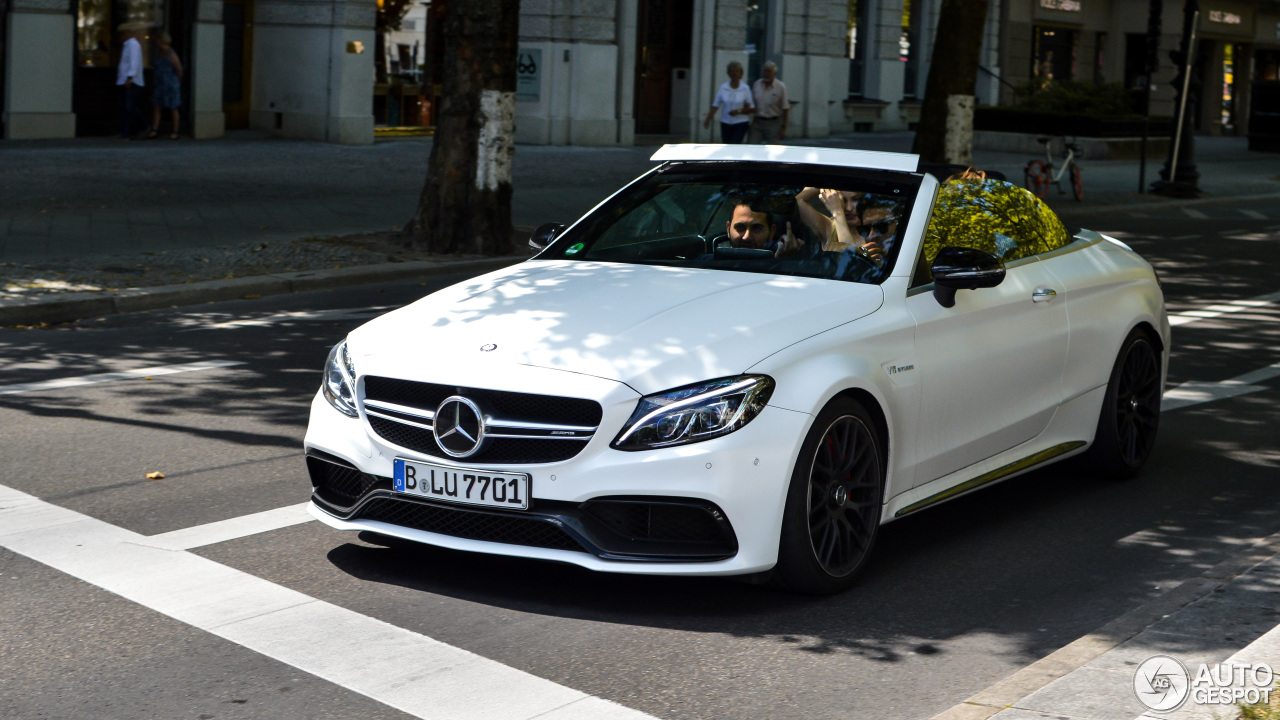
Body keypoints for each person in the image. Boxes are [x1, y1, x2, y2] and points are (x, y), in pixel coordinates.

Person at [724, 202, 803, 258]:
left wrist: (782, 263)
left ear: (772, 232)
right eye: (740, 228)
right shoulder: (712, 263)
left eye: (757, 228)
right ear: (728, 229)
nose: (746, 236)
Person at [702, 61, 754, 144]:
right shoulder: (723, 87)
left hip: (740, 123)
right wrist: (708, 119)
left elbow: (751, 108)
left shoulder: (745, 88)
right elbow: (716, 104)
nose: (734, 73)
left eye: (737, 71)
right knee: (726, 144)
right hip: (725, 122)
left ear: (741, 74)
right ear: (728, 73)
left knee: (735, 144)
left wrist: (738, 111)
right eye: (732, 71)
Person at [147, 31, 183, 139]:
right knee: (156, 106)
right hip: (160, 84)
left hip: (170, 85)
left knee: (173, 107)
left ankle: (175, 131)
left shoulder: (171, 54)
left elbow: (179, 69)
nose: (156, 42)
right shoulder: (160, 53)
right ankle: (154, 129)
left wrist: (177, 82)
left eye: (157, 40)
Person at [116, 23, 148, 139]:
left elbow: (134, 63)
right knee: (125, 107)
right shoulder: (128, 45)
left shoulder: (132, 45)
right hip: (125, 80)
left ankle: (144, 127)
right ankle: (125, 132)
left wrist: (129, 77)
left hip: (131, 81)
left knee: (130, 107)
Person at [750, 61, 790, 143]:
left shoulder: (780, 87)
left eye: (769, 71)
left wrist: (784, 128)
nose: (766, 74)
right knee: (752, 146)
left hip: (774, 122)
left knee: (773, 149)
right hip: (758, 121)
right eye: (764, 71)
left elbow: (785, 108)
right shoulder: (756, 85)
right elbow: (751, 105)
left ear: (774, 73)